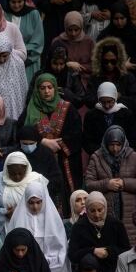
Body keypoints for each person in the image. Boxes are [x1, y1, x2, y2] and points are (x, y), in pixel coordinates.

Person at [20, 73, 83, 212]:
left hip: (65, 161)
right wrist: (42, 141)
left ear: (55, 88)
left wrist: (59, 145)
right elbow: (21, 131)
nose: (46, 91)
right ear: (37, 90)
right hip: (40, 162)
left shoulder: (68, 108)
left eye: (50, 87)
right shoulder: (31, 109)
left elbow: (77, 133)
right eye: (42, 88)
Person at [7, 182, 72, 272]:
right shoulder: (18, 219)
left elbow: (60, 248)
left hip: (52, 269)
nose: (35, 206)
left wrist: (45, 264)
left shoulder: (53, 220)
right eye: (31, 203)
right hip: (25, 271)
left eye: (38, 202)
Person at [84, 127, 136, 242]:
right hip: (106, 209)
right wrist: (106, 184)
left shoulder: (133, 156)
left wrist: (125, 183)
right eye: (111, 145)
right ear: (106, 143)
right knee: (109, 245)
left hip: (129, 210)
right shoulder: (97, 157)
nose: (115, 149)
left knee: (128, 243)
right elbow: (88, 184)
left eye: (118, 144)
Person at [68, 191, 131, 272]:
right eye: (92, 211)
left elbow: (126, 251)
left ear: (105, 208)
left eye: (100, 210)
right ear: (87, 210)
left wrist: (108, 252)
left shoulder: (116, 224)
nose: (97, 215)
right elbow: (73, 255)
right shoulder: (79, 227)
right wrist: (93, 251)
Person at [0, 152, 48, 236]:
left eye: (20, 173)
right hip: (5, 230)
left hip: (33, 228)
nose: (17, 177)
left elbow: (46, 205)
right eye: (13, 174)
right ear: (6, 169)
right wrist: (4, 213)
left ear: (26, 169)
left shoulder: (37, 179)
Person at [3, 0, 44, 82]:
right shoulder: (4, 14)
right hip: (7, 62)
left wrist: (23, 56)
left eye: (19, 2)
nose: (16, 5)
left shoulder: (34, 14)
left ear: (24, 0)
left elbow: (38, 41)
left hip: (29, 61)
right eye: (13, 2)